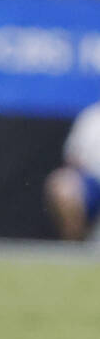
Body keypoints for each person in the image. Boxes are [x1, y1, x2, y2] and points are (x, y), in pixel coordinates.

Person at [44, 100, 100, 241]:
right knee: (62, 184)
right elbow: (73, 157)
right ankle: (75, 247)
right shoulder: (92, 116)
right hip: (92, 182)